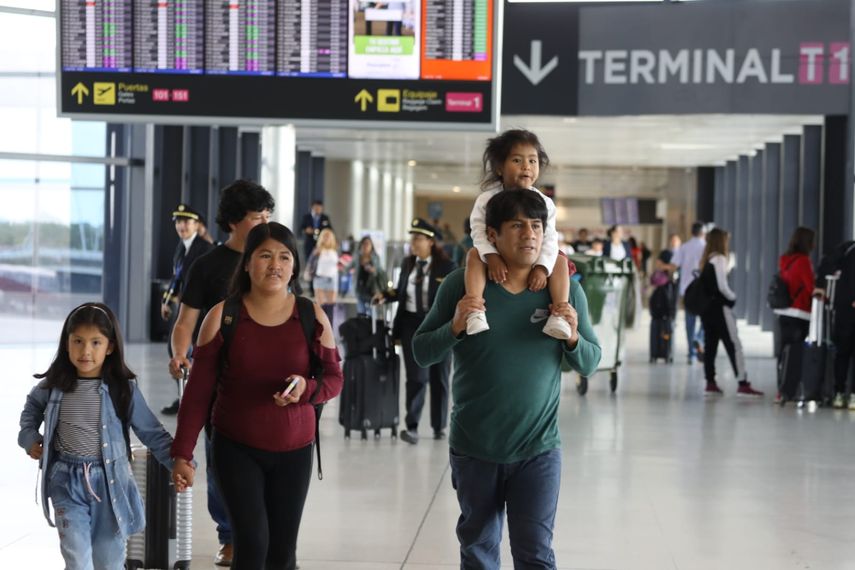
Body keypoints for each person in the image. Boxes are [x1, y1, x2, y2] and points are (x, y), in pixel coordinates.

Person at [412, 189, 601, 569]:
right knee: (479, 552)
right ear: (492, 236)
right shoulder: (461, 286)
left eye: (536, 226)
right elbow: (421, 352)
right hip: (474, 446)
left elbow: (590, 362)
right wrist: (455, 326)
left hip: (539, 449)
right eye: (517, 225)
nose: (529, 234)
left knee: (535, 554)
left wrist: (574, 337)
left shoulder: (563, 291)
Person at [171, 222, 343, 570]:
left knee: (282, 554)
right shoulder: (223, 316)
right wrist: (182, 454)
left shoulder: (312, 316)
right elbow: (198, 392)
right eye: (265, 255)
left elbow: (334, 378)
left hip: (295, 450)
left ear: (294, 265)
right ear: (247, 263)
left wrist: (305, 389)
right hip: (236, 448)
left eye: (284, 257)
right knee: (251, 545)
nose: (275, 265)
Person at [18, 303, 176, 570]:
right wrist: (30, 437)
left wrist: (178, 462)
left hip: (110, 484)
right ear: (66, 343)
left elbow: (151, 432)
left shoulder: (123, 389)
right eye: (77, 341)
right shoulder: (54, 385)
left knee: (109, 561)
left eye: (95, 342)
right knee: (77, 559)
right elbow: (31, 409)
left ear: (110, 347)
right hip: (65, 482)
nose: (85, 351)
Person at [168, 179, 275, 567]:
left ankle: (262, 530)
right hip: (219, 381)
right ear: (232, 221)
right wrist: (181, 354)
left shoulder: (273, 259)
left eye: (267, 216)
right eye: (255, 218)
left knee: (268, 456)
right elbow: (185, 322)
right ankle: (230, 535)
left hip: (268, 378)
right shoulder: (207, 266)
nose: (264, 224)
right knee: (222, 460)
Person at [463, 129, 572, 340]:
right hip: (494, 259)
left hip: (530, 260)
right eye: (517, 160)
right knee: (473, 256)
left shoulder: (545, 202)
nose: (526, 167)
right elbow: (478, 232)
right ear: (499, 168)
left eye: (533, 161)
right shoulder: (486, 200)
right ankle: (474, 310)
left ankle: (559, 313)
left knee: (559, 259)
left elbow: (549, 240)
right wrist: (492, 257)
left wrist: (541, 268)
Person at [375, 218, 457, 444]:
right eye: (413, 238)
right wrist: (385, 295)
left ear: (431, 242)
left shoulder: (447, 267)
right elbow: (401, 292)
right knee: (416, 377)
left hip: (439, 326)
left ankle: (439, 426)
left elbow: (453, 296)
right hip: (412, 324)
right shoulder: (408, 264)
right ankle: (411, 426)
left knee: (439, 376)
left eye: (419, 238)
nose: (414, 243)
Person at [161, 203, 214, 415]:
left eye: (187, 221)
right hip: (185, 308)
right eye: (179, 222)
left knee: (193, 354)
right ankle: (185, 395)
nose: (182, 226)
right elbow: (177, 277)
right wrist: (167, 300)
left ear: (196, 224)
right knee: (176, 352)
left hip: (201, 312)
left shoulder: (205, 249)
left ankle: (196, 399)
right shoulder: (181, 247)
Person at [697, 228, 763, 397]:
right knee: (734, 344)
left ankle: (710, 382)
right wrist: (732, 298)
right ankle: (743, 382)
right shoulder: (719, 258)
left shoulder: (707, 259)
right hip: (719, 309)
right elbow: (722, 286)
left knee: (710, 345)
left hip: (707, 310)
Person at [773, 227, 817, 403]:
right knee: (796, 353)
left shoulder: (785, 260)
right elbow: (810, 287)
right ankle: (790, 390)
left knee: (784, 352)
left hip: (783, 311)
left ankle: (781, 389)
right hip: (799, 312)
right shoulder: (804, 262)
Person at [816, 239, 855, 409]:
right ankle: (853, 395)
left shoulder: (847, 249)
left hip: (842, 307)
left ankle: (839, 393)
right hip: (850, 305)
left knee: (842, 352)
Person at [670, 221, 707, 364]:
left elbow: (674, 265)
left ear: (692, 233)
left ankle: (691, 353)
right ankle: (699, 338)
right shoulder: (706, 247)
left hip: (687, 289)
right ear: (703, 233)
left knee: (689, 321)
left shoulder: (684, 247)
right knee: (705, 319)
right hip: (703, 289)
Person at [306, 228, 340, 324]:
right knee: (320, 307)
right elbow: (310, 263)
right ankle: (320, 330)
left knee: (330, 307)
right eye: (324, 236)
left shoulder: (336, 250)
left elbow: (341, 263)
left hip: (332, 279)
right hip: (319, 278)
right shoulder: (317, 250)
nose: (326, 238)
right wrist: (315, 255)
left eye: (328, 236)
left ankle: (330, 331)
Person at [349, 235, 386, 316]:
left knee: (372, 313)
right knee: (361, 313)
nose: (366, 246)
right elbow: (348, 267)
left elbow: (379, 271)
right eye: (364, 244)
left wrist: (373, 270)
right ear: (361, 245)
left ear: (371, 246)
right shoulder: (357, 257)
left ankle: (371, 328)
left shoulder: (375, 257)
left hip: (372, 290)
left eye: (368, 244)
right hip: (360, 288)